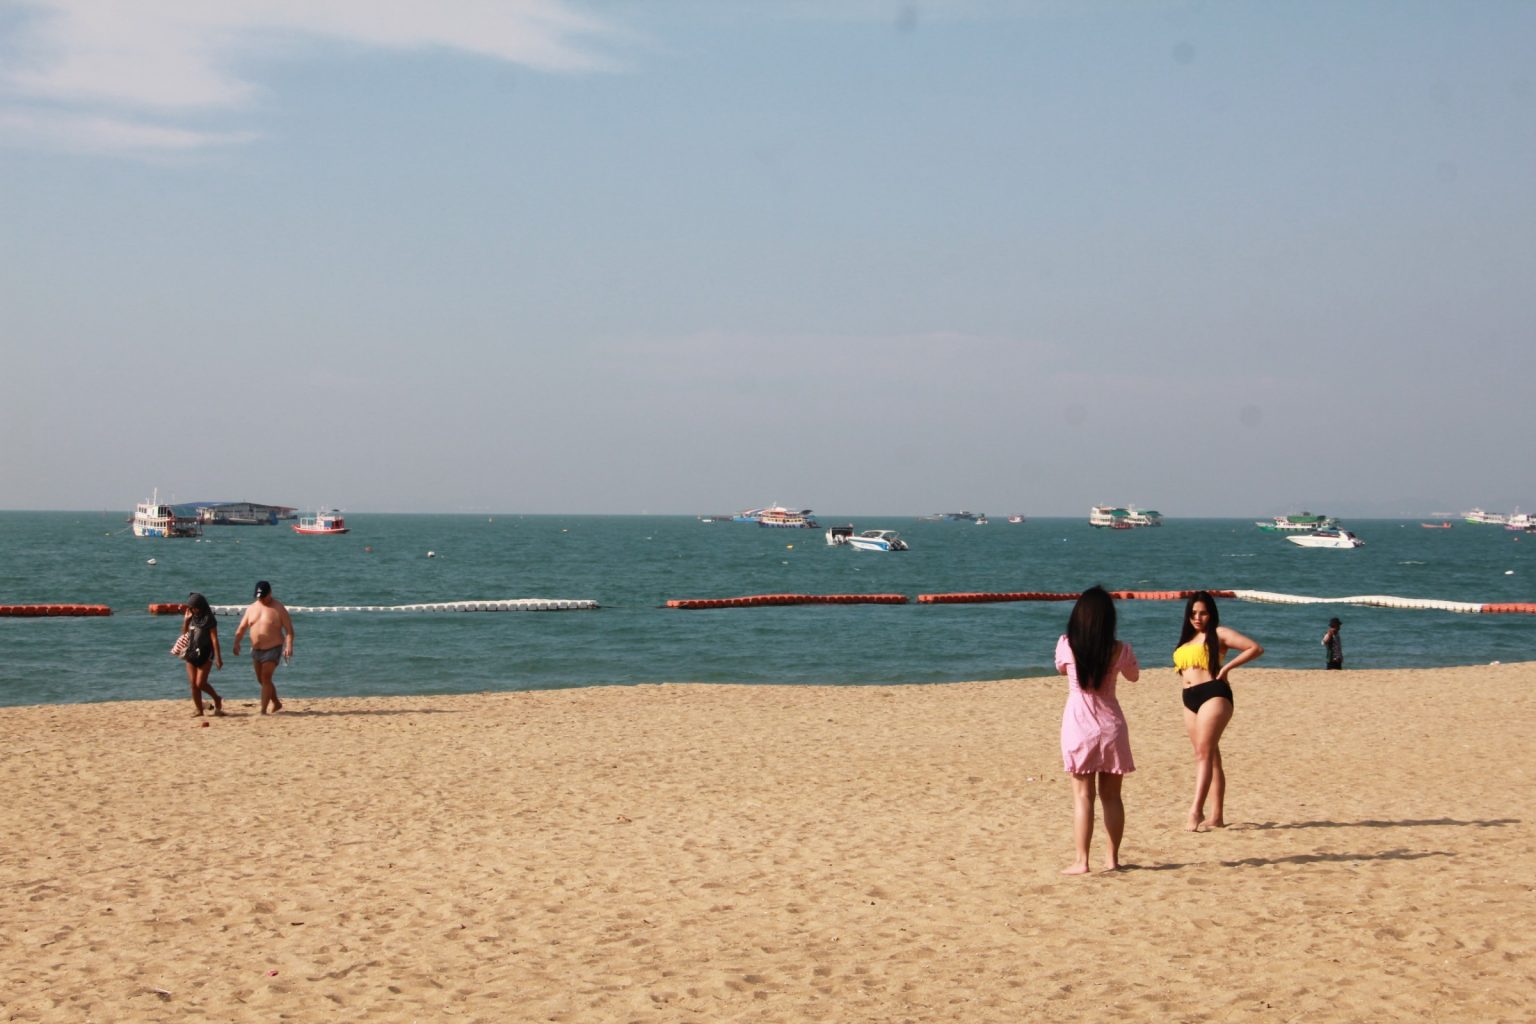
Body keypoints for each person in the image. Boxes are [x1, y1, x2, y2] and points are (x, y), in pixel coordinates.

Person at [1056, 585, 1141, 874]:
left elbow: (1061, 668)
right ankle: (1112, 859)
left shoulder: (1068, 645)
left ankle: (1082, 861)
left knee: (1083, 796)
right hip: (1111, 726)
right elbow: (1133, 676)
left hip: (1079, 726)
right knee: (1112, 796)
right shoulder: (1121, 649)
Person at [1173, 591, 1263, 832]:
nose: (1198, 617)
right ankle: (1217, 816)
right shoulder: (1187, 640)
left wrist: (1227, 668)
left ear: (1211, 614)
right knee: (1210, 756)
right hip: (1189, 698)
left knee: (1203, 754)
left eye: (1203, 613)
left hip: (1214, 693)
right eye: (1193, 613)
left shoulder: (1219, 634)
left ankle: (1196, 810)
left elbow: (1254, 648)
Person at [232, 580, 295, 715]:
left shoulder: (278, 608)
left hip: (273, 648)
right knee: (261, 679)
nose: (261, 599)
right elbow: (242, 627)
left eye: (263, 596)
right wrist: (237, 642)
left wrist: (289, 646)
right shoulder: (251, 608)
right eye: (259, 597)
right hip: (256, 650)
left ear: (270, 593)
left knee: (266, 677)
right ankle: (276, 702)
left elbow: (289, 630)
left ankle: (263, 711)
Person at [180, 592, 224, 717]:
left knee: (201, 683)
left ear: (201, 606)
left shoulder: (209, 619)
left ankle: (217, 698)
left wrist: (218, 658)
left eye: (195, 608)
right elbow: (184, 635)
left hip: (206, 654)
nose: (193, 610)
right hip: (191, 653)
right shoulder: (192, 617)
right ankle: (199, 710)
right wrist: (186, 621)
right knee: (193, 685)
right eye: (191, 608)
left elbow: (214, 639)